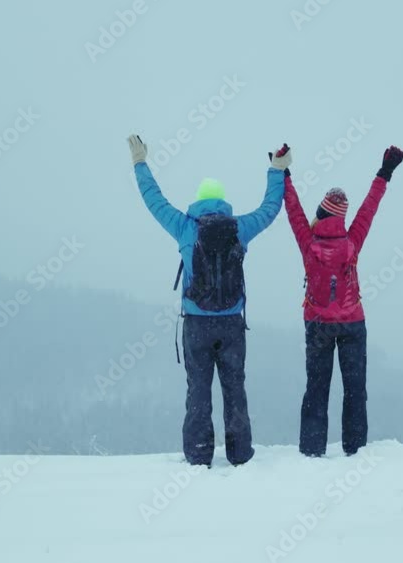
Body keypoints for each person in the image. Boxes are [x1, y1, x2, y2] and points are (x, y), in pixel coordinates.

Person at [127, 134, 291, 467]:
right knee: (235, 389)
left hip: (197, 325)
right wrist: (276, 171)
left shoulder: (184, 227)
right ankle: (240, 453)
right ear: (223, 202)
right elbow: (271, 209)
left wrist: (140, 162)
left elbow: (153, 199)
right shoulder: (240, 228)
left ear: (199, 201)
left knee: (198, 390)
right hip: (231, 324)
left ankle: (200, 454)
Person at [280, 145, 403, 457]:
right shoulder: (352, 241)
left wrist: (283, 173)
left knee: (317, 389)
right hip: (352, 322)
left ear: (321, 213)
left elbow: (293, 209)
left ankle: (311, 450)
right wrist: (384, 172)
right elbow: (369, 208)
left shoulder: (308, 242)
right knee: (355, 390)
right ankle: (355, 449)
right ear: (342, 216)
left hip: (318, 324)